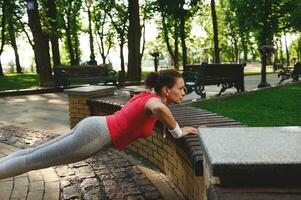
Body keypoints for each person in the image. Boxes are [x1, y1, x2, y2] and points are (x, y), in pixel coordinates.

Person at [0, 69, 198, 180]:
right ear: (165, 90)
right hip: (95, 135)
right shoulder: (154, 102)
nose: (183, 92)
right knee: (33, 161)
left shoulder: (148, 95)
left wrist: (176, 129)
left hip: (94, 126)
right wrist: (178, 132)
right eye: (181, 88)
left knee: (31, 154)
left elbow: (152, 113)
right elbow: (160, 110)